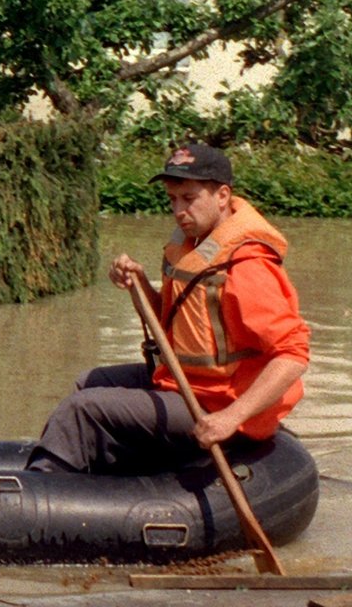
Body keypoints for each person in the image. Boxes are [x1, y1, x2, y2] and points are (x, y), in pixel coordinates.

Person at [27, 142, 310, 474]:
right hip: (187, 383)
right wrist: (140, 284)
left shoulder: (246, 265)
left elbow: (293, 356)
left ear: (222, 196)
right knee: (89, 381)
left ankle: (40, 494)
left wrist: (229, 418)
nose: (178, 211)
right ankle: (95, 472)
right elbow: (174, 322)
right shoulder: (194, 247)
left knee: (82, 409)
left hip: (219, 402)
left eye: (189, 199)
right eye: (172, 199)